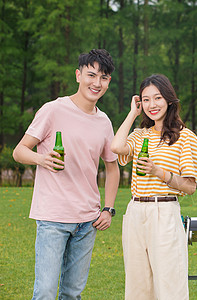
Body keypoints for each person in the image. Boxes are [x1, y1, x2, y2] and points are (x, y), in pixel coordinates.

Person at [12, 49, 120, 299]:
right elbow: (19, 151)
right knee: (46, 292)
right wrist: (42, 158)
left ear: (108, 82)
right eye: (91, 75)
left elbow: (112, 167)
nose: (96, 83)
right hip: (53, 217)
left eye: (103, 78)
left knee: (72, 294)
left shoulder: (104, 122)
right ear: (78, 75)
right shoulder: (53, 110)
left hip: (88, 221)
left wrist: (109, 208)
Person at [110, 74, 197, 300]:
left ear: (169, 100)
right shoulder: (140, 135)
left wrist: (159, 172)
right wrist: (132, 113)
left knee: (170, 284)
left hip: (165, 212)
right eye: (146, 99)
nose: (152, 105)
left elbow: (190, 187)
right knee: (137, 286)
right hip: (135, 212)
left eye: (157, 98)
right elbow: (116, 146)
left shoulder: (186, 137)